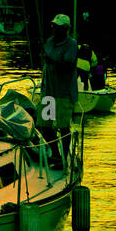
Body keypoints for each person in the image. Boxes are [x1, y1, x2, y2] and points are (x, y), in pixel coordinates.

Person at [35, 14, 78, 169]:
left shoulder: (71, 44)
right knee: (43, 126)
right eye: (53, 26)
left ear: (65, 29)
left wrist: (52, 60)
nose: (54, 28)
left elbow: (68, 65)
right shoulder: (49, 42)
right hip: (48, 92)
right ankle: (56, 154)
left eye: (58, 27)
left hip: (63, 93)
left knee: (63, 127)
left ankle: (64, 160)